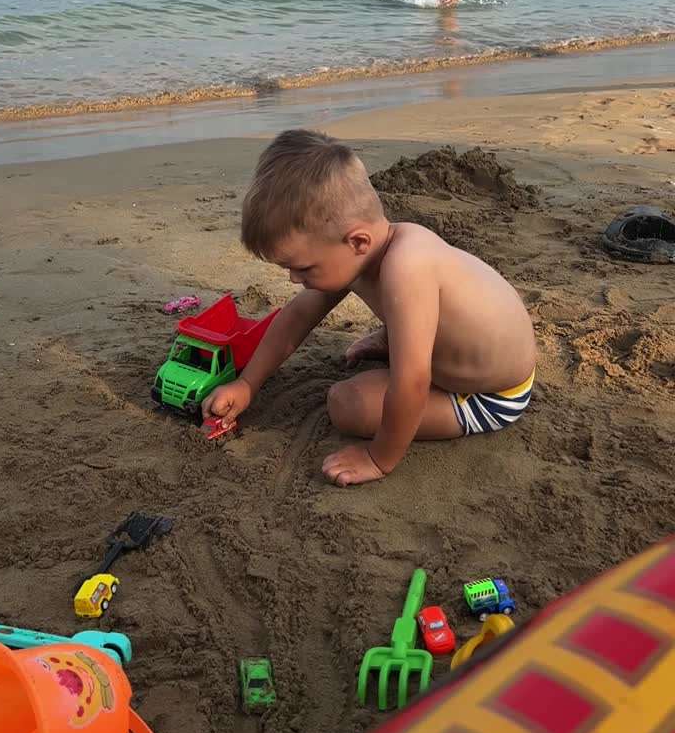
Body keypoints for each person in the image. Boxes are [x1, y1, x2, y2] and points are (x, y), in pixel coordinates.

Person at [202, 129, 536, 486]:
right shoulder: (359, 254)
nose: (293, 280)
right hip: (460, 349)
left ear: (357, 241)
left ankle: (398, 350)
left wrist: (380, 458)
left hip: (490, 395)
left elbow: (412, 381)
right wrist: (248, 383)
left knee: (348, 404)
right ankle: (393, 338)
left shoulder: (407, 267)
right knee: (403, 329)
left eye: (303, 268)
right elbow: (298, 316)